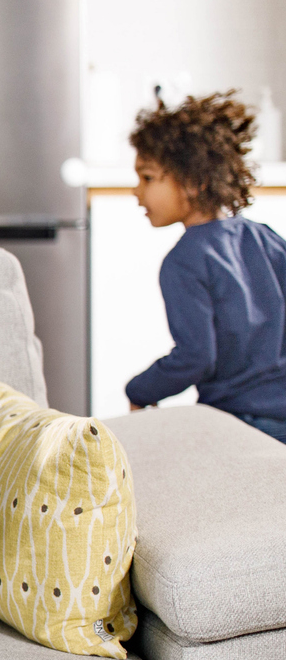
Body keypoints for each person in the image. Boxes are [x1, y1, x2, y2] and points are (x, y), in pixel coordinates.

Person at [123, 92, 286, 440]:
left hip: (238, 424)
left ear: (194, 183)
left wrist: (139, 389)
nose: (136, 192)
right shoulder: (265, 238)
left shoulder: (184, 261)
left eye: (148, 178)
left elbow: (197, 357)